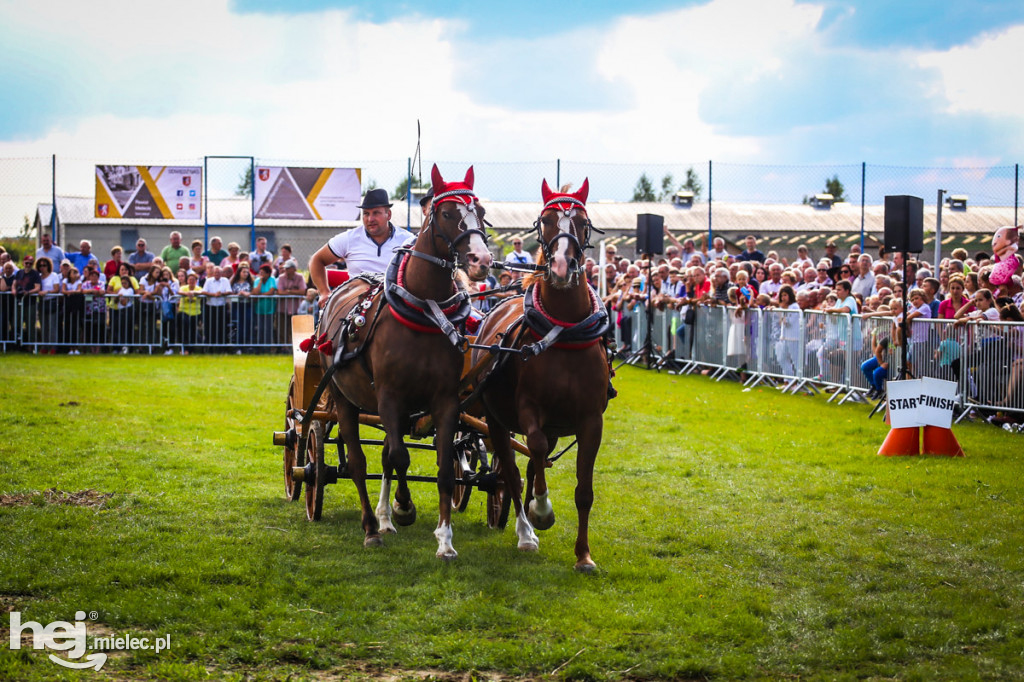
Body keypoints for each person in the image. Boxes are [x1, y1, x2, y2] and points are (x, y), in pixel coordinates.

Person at [308, 188, 414, 305]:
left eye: (376, 213)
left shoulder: (408, 241)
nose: (370, 219)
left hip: (395, 304)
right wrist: (324, 292)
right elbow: (316, 260)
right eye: (366, 214)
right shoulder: (349, 238)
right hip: (356, 307)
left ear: (388, 214)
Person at [275, 259, 307, 343]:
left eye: (288, 268)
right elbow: (280, 292)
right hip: (282, 308)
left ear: (293, 269)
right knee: (281, 328)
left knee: (293, 329)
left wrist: (288, 291)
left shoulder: (299, 277)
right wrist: (295, 290)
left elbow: (303, 291)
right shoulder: (281, 277)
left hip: (295, 308)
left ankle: (292, 347)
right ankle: (282, 347)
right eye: (285, 268)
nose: (286, 270)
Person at [201, 265, 232, 347]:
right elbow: (203, 292)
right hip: (210, 307)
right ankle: (210, 347)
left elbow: (229, 291)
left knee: (222, 328)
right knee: (210, 327)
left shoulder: (225, 280)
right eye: (215, 272)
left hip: (221, 307)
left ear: (221, 273)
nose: (217, 274)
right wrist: (213, 295)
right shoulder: (209, 281)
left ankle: (222, 347)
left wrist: (221, 294)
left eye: (218, 272)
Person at [230, 263, 255, 352]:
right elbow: (230, 292)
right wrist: (238, 294)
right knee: (238, 325)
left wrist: (246, 294)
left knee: (247, 324)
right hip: (237, 306)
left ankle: (246, 345)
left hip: (247, 305)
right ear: (239, 272)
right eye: (244, 272)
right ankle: (238, 346)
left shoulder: (250, 283)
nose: (245, 274)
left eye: (247, 272)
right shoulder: (234, 282)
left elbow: (253, 292)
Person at [251, 263, 278, 348]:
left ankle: (267, 347)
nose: (261, 274)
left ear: (268, 273)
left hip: (269, 309)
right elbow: (255, 292)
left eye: (263, 273)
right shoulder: (257, 280)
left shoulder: (272, 279)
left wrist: (260, 295)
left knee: (268, 329)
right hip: (259, 309)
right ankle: (260, 347)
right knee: (260, 328)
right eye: (260, 272)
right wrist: (260, 281)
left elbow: (271, 292)